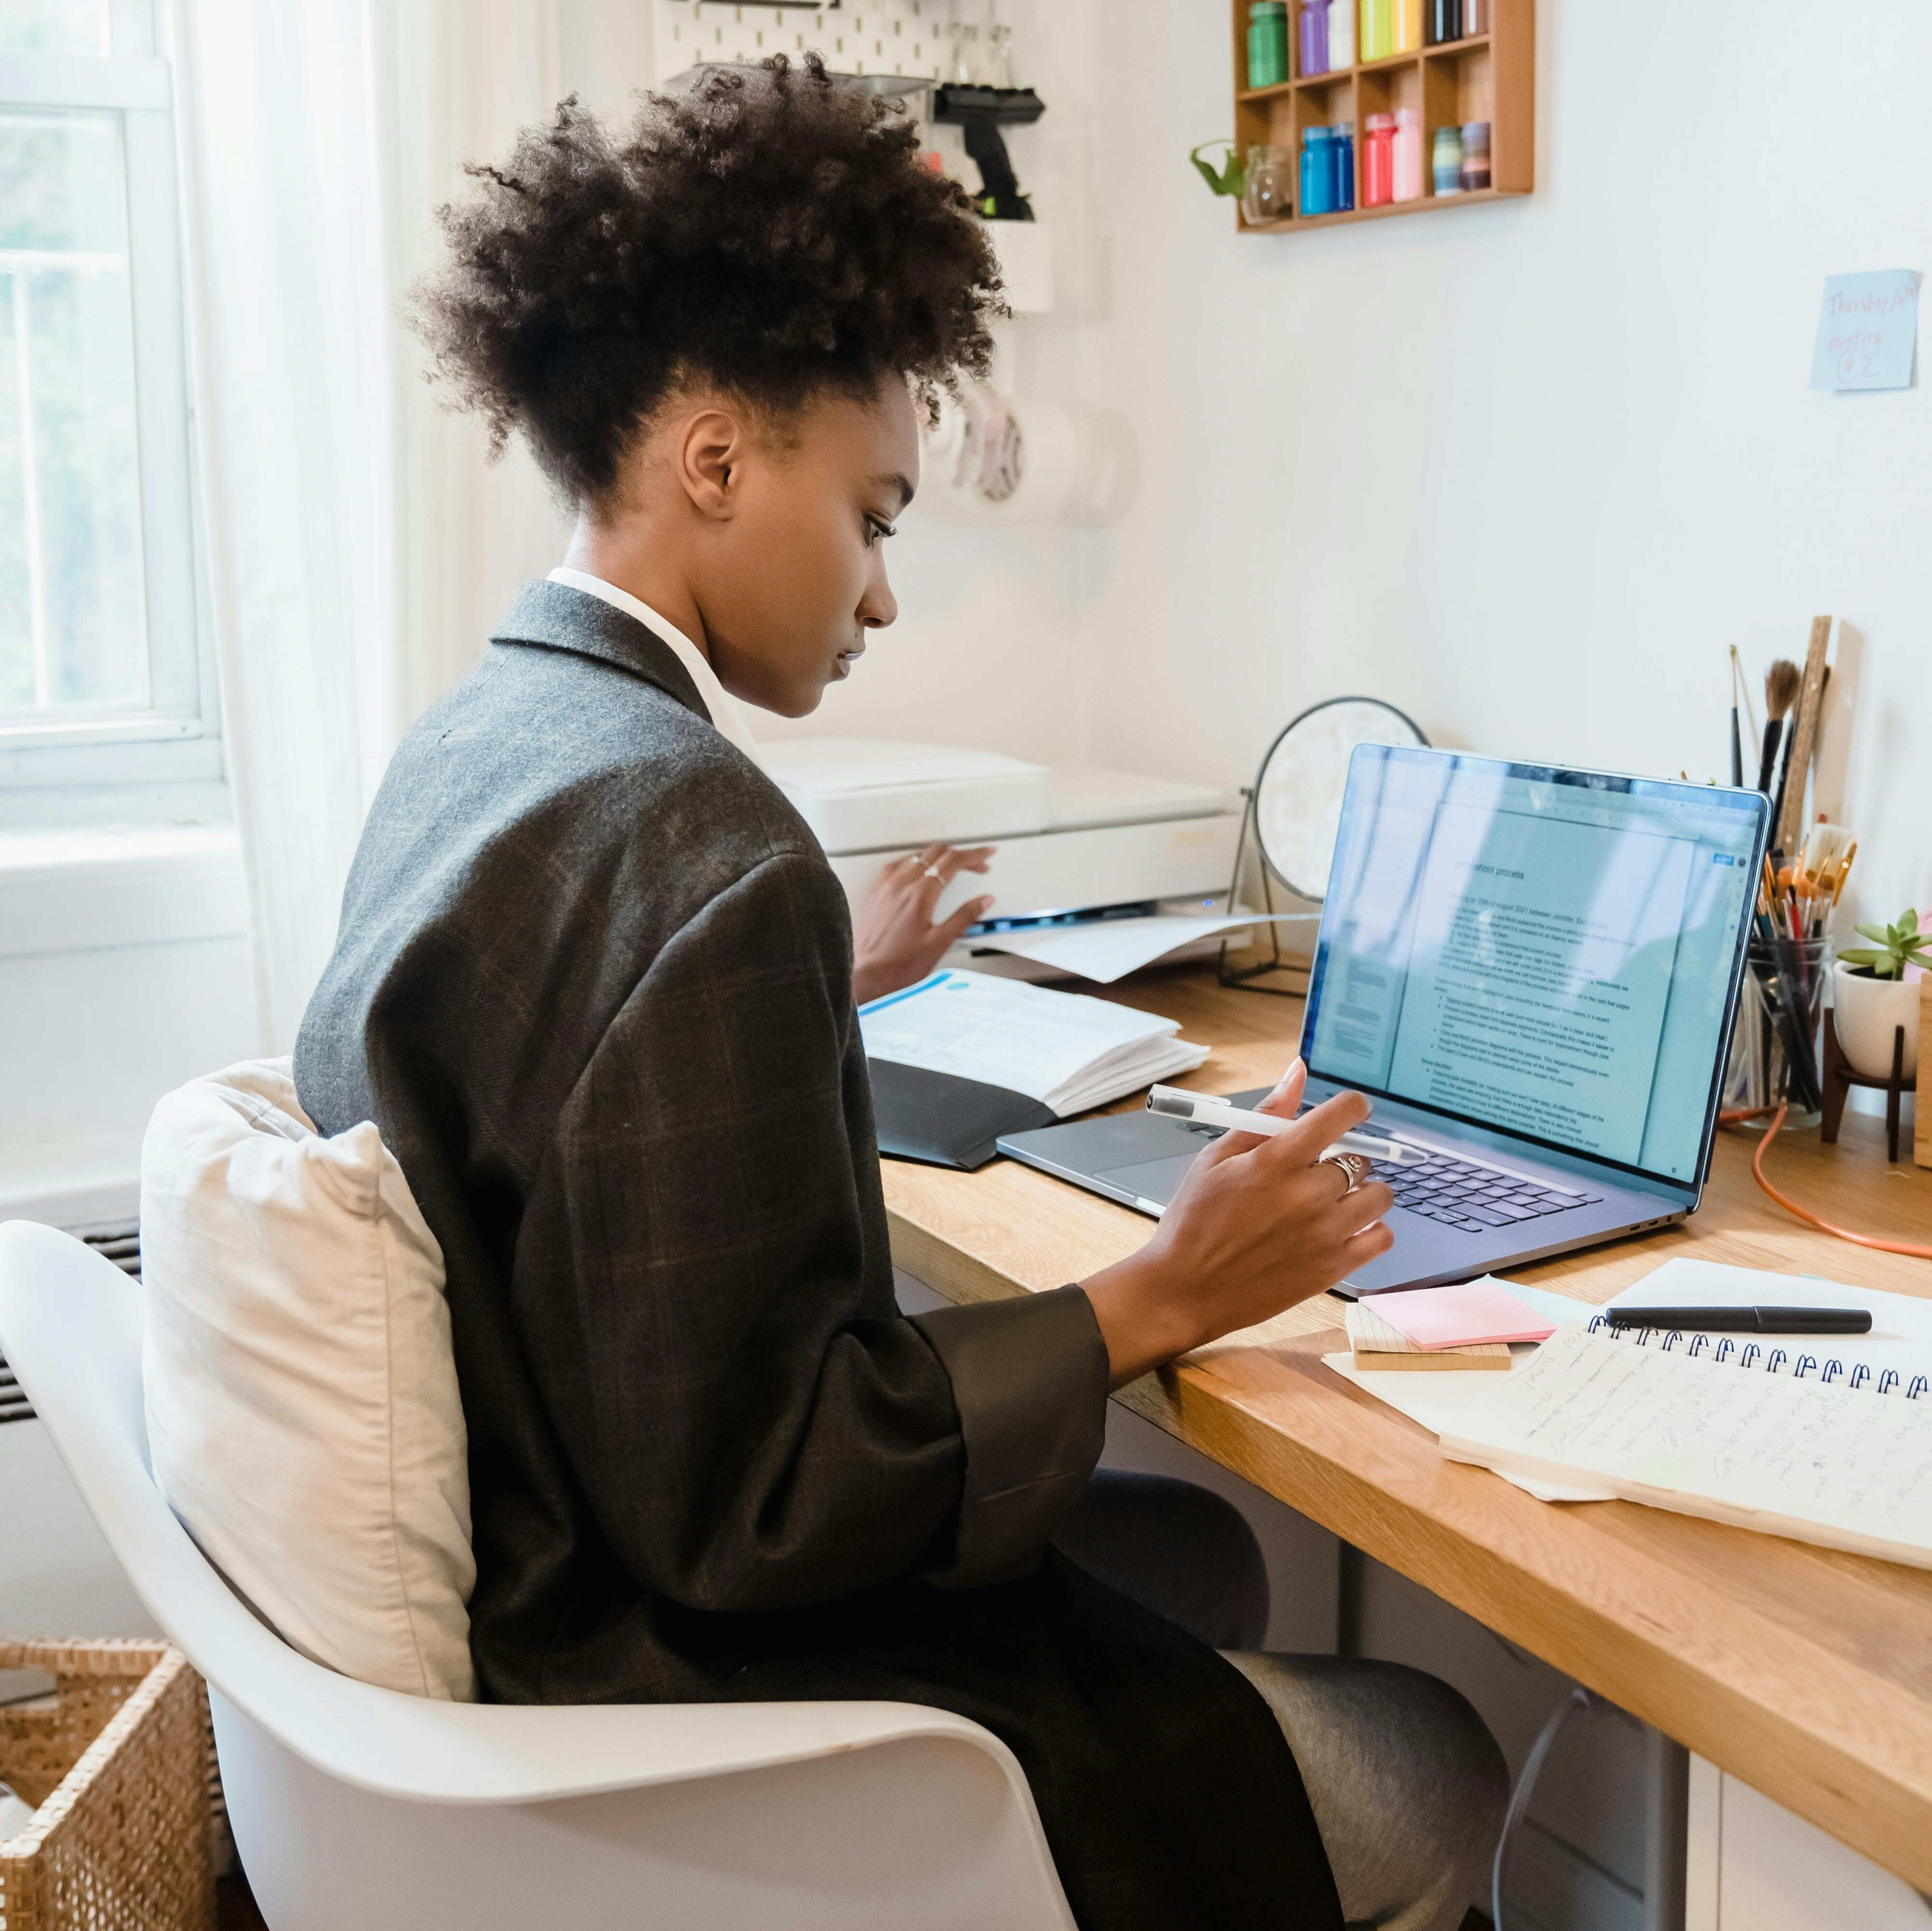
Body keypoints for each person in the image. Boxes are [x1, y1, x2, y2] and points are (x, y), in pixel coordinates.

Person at [295, 57, 1503, 1931]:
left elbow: (565, 1090)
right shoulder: (703, 844)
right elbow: (764, 1506)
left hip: (543, 1563)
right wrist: (1163, 1288)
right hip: (655, 1692)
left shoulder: (489, 734)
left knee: (1183, 1547)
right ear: (714, 460)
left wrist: (804, 989)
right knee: (1435, 1764)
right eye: (872, 516)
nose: (877, 597)